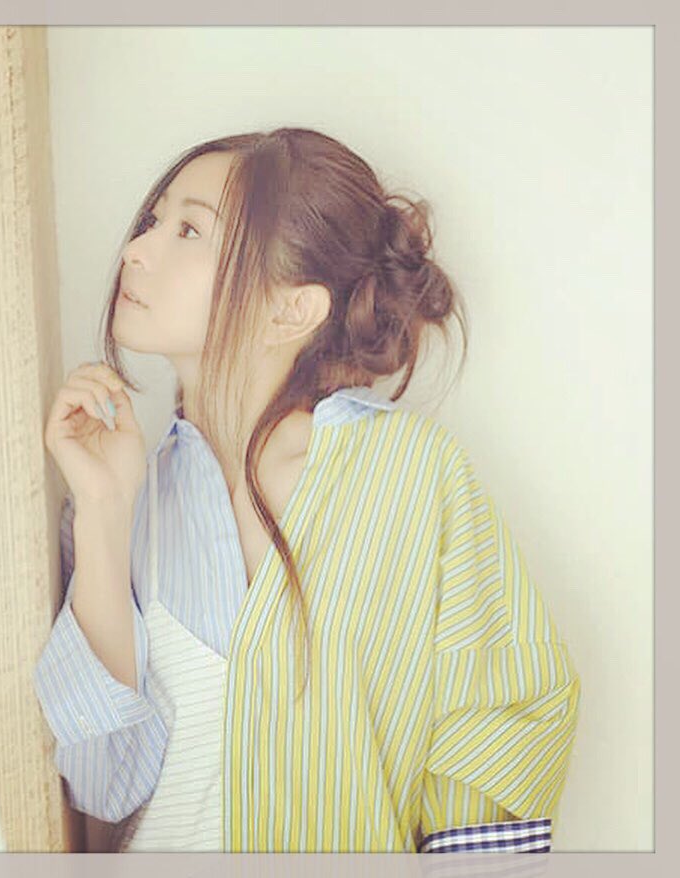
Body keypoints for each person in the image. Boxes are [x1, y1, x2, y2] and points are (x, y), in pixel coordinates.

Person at [33, 127, 581, 853]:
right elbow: (104, 786)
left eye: (189, 230)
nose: (136, 249)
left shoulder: (413, 476)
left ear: (291, 309)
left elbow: (502, 735)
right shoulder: (126, 497)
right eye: (152, 221)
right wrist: (105, 512)